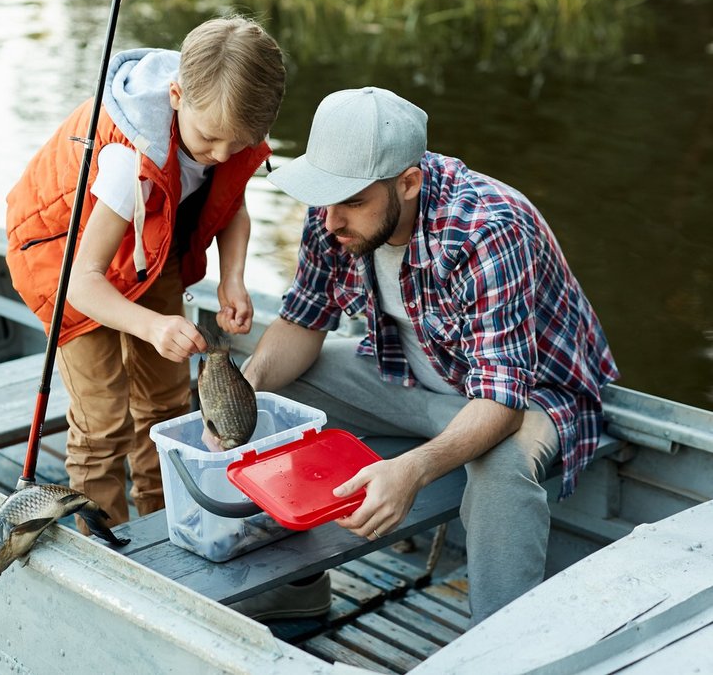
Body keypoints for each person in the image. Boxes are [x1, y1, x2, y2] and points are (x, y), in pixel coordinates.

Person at [233, 86, 619, 626]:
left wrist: (411, 470)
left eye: (352, 202)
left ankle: (503, 647)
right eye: (325, 200)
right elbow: (302, 321)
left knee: (502, 470)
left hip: (532, 397)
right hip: (415, 378)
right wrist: (241, 398)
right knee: (275, 401)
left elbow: (499, 402)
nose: (330, 223)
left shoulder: (489, 228)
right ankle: (297, 586)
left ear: (408, 182)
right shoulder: (334, 214)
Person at [5, 16, 286, 528]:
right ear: (176, 95)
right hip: (68, 266)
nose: (222, 154)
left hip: (151, 251)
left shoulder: (224, 128)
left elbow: (232, 206)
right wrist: (152, 326)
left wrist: (232, 278)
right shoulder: (127, 157)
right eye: (211, 139)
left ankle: (164, 521)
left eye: (238, 144)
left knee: (166, 405)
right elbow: (81, 282)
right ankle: (102, 536)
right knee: (103, 420)